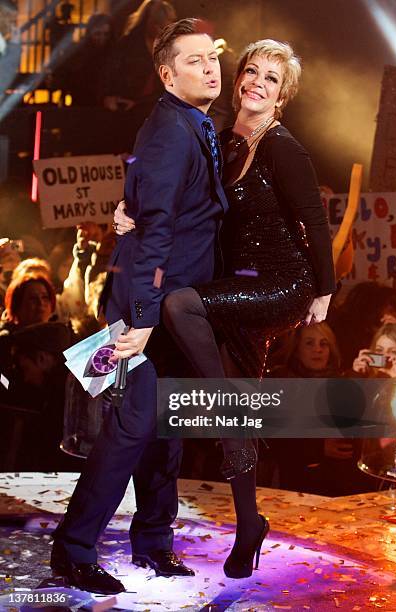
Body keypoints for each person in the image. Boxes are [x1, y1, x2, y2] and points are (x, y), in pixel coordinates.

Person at [114, 39, 336, 578]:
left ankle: (231, 436)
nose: (257, 82)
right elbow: (186, 206)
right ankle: (249, 523)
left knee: (182, 304)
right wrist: (135, 218)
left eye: (272, 79)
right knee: (235, 405)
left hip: (281, 284)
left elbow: (313, 218)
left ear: (282, 97)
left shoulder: (284, 147)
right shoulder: (218, 139)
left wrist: (325, 291)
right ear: (238, 79)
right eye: (252, 72)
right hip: (234, 284)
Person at [50, 18, 227, 595]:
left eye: (211, 58)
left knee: (165, 431)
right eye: (194, 60)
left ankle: (153, 543)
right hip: (147, 309)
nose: (209, 67)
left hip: (174, 310)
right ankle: (73, 552)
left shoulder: (193, 124)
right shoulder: (172, 130)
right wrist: (144, 319)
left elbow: (158, 211)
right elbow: (154, 228)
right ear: (166, 73)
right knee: (130, 430)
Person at [269, 323, 375, 496]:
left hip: (344, 488)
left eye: (323, 344)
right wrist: (317, 448)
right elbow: (272, 442)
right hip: (299, 489)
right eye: (309, 343)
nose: (317, 349)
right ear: (296, 349)